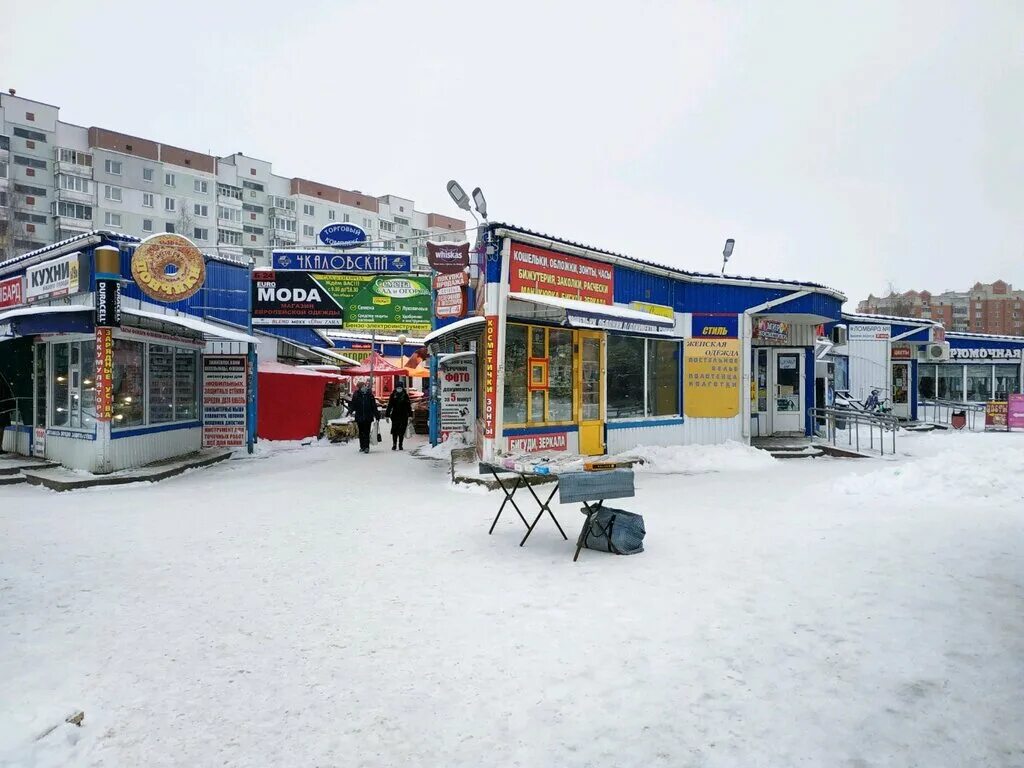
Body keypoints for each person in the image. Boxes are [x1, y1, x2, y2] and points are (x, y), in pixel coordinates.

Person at [347, 380, 379, 453]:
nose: (364, 387)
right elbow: (353, 405)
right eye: (362, 386)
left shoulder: (370, 395)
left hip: (368, 417)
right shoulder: (356, 395)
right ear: (359, 388)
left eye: (364, 386)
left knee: (367, 432)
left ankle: (367, 447)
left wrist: (377, 415)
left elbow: (373, 406)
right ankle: (362, 446)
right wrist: (350, 411)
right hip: (359, 417)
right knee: (361, 433)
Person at [385, 382, 413, 451]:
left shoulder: (405, 395)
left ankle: (400, 444)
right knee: (394, 430)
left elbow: (408, 406)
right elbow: (389, 405)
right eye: (398, 388)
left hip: (404, 415)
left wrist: (410, 415)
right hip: (395, 415)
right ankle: (394, 444)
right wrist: (387, 415)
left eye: (400, 388)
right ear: (396, 388)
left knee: (401, 431)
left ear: (402, 388)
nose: (399, 389)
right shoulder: (393, 395)